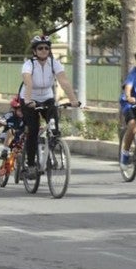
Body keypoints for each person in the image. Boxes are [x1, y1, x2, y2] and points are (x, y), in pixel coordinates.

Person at [19, 35, 81, 179]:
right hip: (29, 99)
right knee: (33, 130)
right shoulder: (29, 64)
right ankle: (31, 165)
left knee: (54, 126)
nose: (44, 50)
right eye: (40, 48)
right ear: (34, 51)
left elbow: (64, 82)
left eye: (47, 48)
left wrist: (73, 101)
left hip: (47, 98)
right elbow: (28, 83)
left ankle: (52, 148)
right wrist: (28, 100)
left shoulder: (55, 63)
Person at [0, 96, 26, 160]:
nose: (22, 113)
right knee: (11, 131)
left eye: (23, 111)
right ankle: (5, 151)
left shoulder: (27, 117)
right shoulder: (10, 115)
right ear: (15, 110)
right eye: (19, 111)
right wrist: (1, 123)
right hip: (7, 136)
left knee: (18, 155)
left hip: (20, 138)